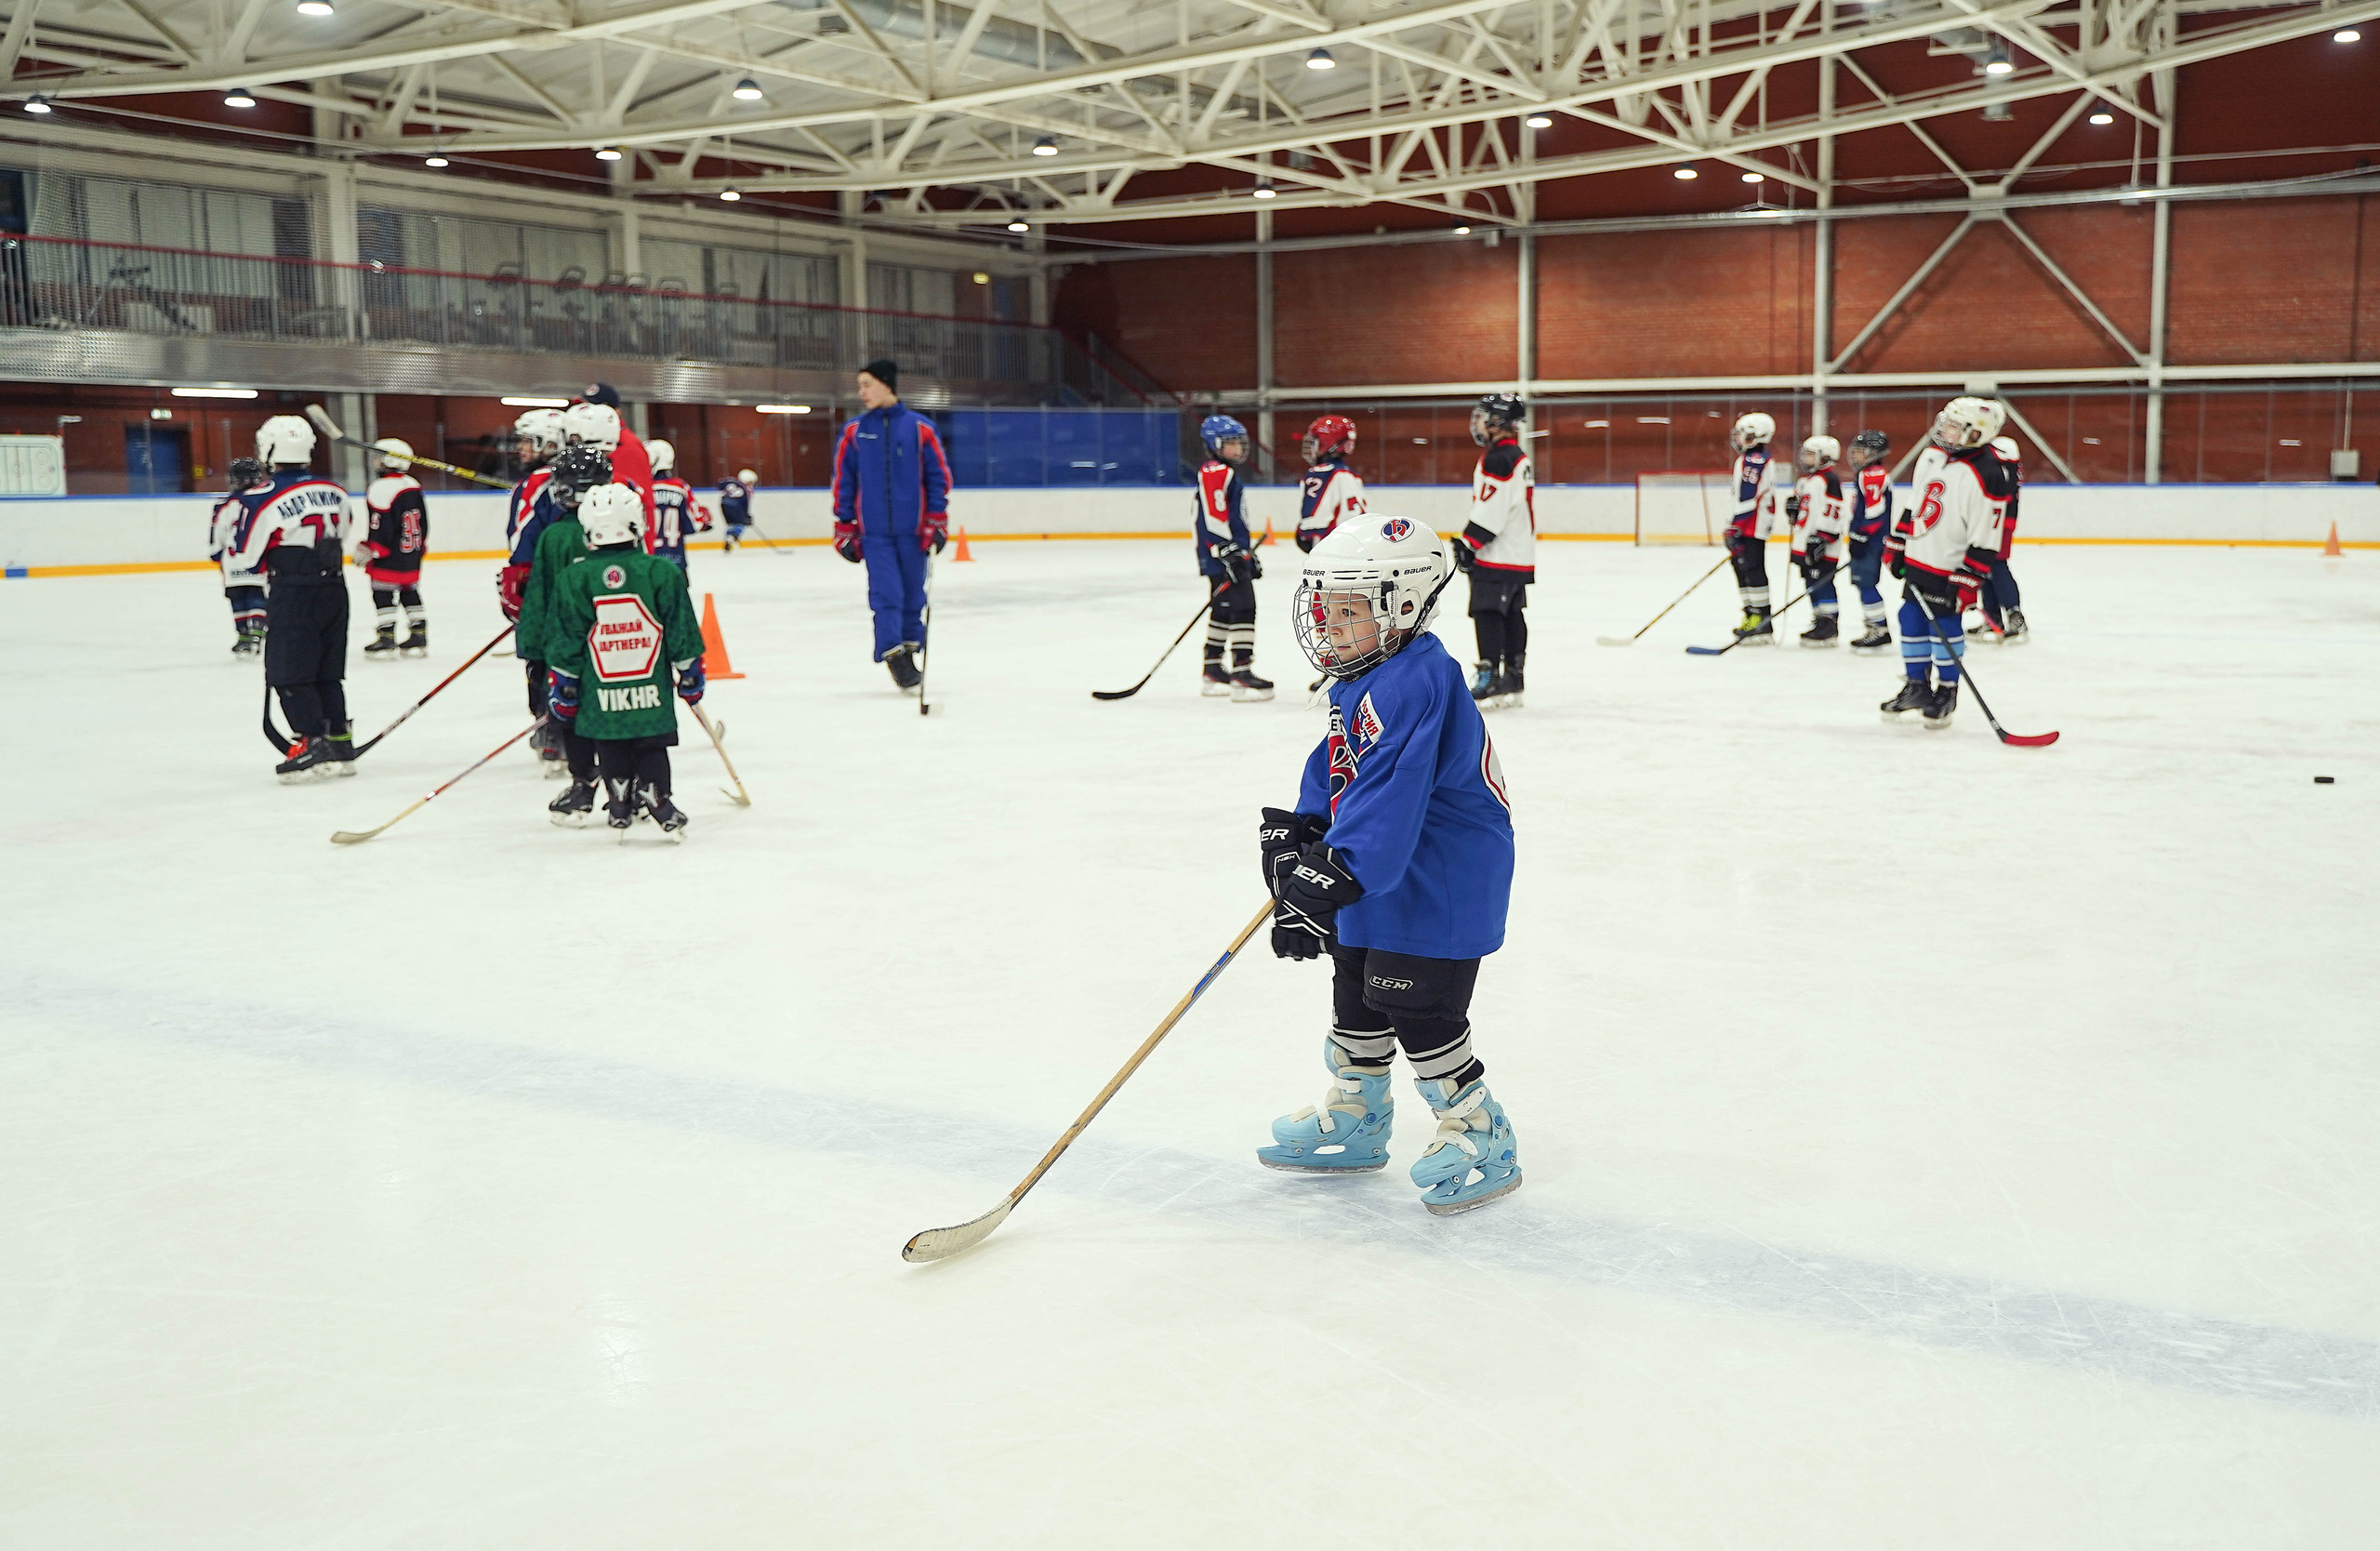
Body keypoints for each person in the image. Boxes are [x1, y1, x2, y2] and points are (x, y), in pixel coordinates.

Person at [1256, 515, 1520, 1214]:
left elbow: (1394, 789)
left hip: (1441, 874)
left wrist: (1331, 873)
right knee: (1355, 981)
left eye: (1349, 612)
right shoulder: (1367, 673)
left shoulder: (1418, 679)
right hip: (1381, 858)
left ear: (1402, 604)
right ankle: (1358, 1114)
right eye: (1326, 610)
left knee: (1414, 1001)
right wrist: (1305, 831)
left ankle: (1480, 1129)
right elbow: (1343, 769)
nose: (1331, 626)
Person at [546, 483, 704, 840]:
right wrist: (689, 671)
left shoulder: (574, 577)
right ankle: (657, 798)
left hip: (599, 689)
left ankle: (619, 802)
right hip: (650, 687)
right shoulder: (661, 571)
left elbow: (567, 635)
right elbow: (680, 629)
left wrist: (565, 682)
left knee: (610, 738)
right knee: (651, 740)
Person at [222, 416, 356, 781]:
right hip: (335, 590)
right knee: (328, 671)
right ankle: (341, 740)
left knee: (289, 673)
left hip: (293, 593)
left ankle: (312, 740)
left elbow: (245, 555)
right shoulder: (336, 490)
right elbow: (343, 530)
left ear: (268, 449)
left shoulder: (261, 497)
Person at [1882, 396, 2011, 730]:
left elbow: (1987, 535)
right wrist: (1897, 546)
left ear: (1975, 433)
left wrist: (1970, 579)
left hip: (1949, 568)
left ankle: (1947, 692)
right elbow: (1915, 505)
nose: (1944, 430)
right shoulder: (1931, 457)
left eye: (1953, 426)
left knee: (1944, 627)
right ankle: (1917, 687)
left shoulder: (1988, 473)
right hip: (1918, 560)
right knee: (1910, 619)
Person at [830, 359, 951, 693]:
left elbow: (938, 477)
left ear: (887, 384)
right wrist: (844, 524)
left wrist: (937, 519)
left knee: (914, 596)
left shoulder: (920, 429)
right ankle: (894, 656)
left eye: (867, 384)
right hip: (875, 535)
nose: (862, 392)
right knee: (887, 595)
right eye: (859, 386)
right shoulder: (854, 432)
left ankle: (911, 650)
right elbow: (844, 481)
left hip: (914, 532)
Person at [507, 444, 614, 782]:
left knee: (551, 673)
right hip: (605, 631)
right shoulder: (618, 525)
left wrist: (530, 635)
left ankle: (553, 732)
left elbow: (535, 584)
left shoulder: (553, 531)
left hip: (560, 626)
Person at [1453, 391, 1535, 708]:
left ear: (1499, 420)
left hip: (1497, 553)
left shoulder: (1499, 457)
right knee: (1513, 614)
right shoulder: (1515, 454)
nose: (1479, 422)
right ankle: (1514, 677)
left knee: (1487, 612)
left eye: (1485, 416)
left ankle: (1490, 677)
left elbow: (1493, 506)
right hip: (1517, 553)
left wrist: (1469, 542)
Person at [1191, 413, 1273, 700]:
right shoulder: (1217, 471)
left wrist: (1245, 553)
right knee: (1244, 606)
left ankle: (1212, 669)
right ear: (1213, 444)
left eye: (1240, 444)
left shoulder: (1218, 471)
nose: (1237, 450)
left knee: (1223, 608)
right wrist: (1229, 552)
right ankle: (1242, 673)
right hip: (1222, 553)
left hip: (1220, 553)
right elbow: (1215, 516)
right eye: (1230, 444)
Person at [357, 438, 430, 660]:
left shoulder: (381, 487)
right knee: (409, 591)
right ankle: (419, 634)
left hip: (390, 554)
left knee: (383, 593)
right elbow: (423, 522)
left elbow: (381, 525)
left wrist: (371, 549)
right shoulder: (412, 484)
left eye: (379, 457)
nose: (376, 462)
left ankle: (386, 636)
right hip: (411, 552)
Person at [1723, 411, 1784, 644]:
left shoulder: (1754, 460)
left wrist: (1735, 526)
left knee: (1752, 568)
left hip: (1751, 526)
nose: (1738, 439)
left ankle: (1761, 620)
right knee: (1741, 567)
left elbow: (1750, 497)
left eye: (1742, 434)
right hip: (1745, 525)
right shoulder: (1748, 459)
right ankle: (1751, 614)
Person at [1788, 434, 1848, 648]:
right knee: (1810, 582)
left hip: (1821, 545)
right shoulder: (1805, 480)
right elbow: (1804, 511)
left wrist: (1822, 538)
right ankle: (1818, 618)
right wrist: (1793, 510)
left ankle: (1829, 624)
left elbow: (1834, 511)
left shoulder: (1828, 480)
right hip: (1805, 543)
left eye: (1811, 455)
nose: (1806, 458)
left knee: (1822, 582)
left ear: (1825, 457)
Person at [208, 457, 269, 656]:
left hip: (232, 561)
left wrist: (216, 553)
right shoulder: (263, 500)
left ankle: (243, 636)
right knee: (256, 594)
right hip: (256, 557)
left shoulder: (223, 505)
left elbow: (217, 536)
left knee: (238, 597)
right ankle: (257, 632)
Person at [1844, 429, 1897, 656]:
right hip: (1870, 539)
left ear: (1875, 453)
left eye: (1862, 452)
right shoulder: (1869, 473)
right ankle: (1875, 625)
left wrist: (1860, 536)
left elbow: (1874, 513)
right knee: (1862, 583)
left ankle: (1879, 628)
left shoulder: (1873, 474)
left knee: (1865, 583)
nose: (1856, 457)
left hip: (1871, 541)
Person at [1973, 435, 2030, 645]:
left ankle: (2015, 616)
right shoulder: (2004, 462)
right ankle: (1992, 615)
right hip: (1994, 520)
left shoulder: (2003, 460)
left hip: (1999, 521)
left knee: (1996, 565)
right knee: (1984, 566)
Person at [1294, 414, 1367, 552]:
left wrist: (1302, 534)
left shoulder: (1321, 473)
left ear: (1328, 443)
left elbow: (1313, 521)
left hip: (1332, 550)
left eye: (1315, 442)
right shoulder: (1352, 475)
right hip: (1358, 547)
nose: (1311, 448)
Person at [644, 439, 701, 574]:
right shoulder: (680, 487)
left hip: (648, 563)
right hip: (676, 562)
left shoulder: (639, 489)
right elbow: (691, 526)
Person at [718, 469, 755, 551]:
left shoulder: (731, 481)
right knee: (740, 524)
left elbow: (720, 484)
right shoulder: (747, 489)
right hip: (736, 506)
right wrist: (746, 515)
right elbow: (746, 503)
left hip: (724, 504)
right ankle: (732, 537)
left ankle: (728, 538)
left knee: (731, 524)